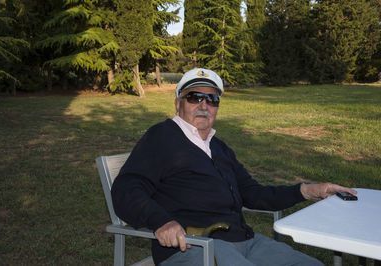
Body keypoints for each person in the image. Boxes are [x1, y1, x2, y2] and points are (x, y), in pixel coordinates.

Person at [112, 68, 357, 266]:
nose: (204, 105)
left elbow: (252, 193)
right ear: (178, 104)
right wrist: (161, 221)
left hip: (245, 242)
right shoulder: (161, 137)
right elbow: (126, 189)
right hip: (195, 245)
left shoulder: (219, 147)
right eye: (195, 97)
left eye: (212, 99)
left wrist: (305, 190)